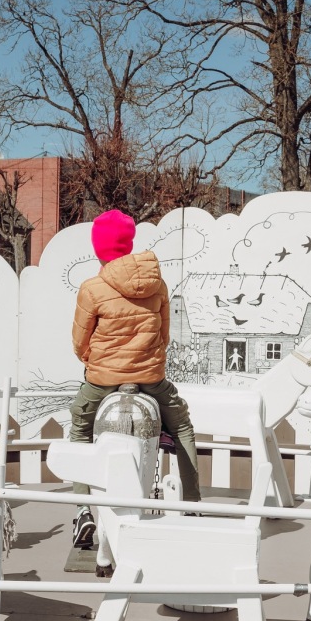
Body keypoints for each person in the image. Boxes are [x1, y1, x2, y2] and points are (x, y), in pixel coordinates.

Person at [68, 210, 202, 547]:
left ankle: (83, 510)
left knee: (80, 429)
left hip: (102, 380)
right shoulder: (158, 284)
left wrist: (93, 363)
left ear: (98, 247)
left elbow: (80, 341)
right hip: (151, 378)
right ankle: (192, 504)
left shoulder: (92, 288)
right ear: (128, 245)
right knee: (182, 427)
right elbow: (165, 336)